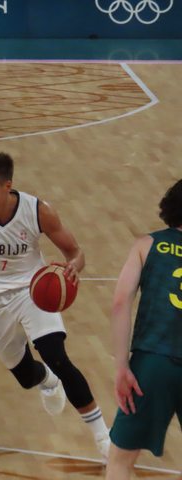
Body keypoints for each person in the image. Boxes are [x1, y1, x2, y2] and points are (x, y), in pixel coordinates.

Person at [0, 152, 110, 458]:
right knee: (26, 376)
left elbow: (75, 252)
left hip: (32, 291)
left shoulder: (38, 211)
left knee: (56, 356)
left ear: (7, 185)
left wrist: (73, 267)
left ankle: (104, 438)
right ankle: (47, 381)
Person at [105, 179, 182, 479]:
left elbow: (120, 303)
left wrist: (121, 366)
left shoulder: (146, 245)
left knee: (120, 460)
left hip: (152, 363)